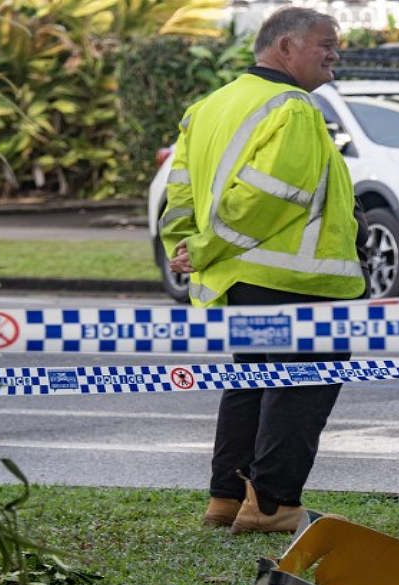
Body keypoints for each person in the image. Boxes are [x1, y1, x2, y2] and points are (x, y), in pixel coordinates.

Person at [158, 7, 365, 534]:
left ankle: (227, 499)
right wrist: (202, 247)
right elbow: (270, 198)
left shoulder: (208, 107)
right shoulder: (292, 107)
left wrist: (186, 245)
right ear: (286, 48)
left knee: (250, 381)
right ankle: (273, 504)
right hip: (298, 280)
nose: (334, 54)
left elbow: (180, 191)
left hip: (241, 279)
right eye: (325, 44)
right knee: (300, 385)